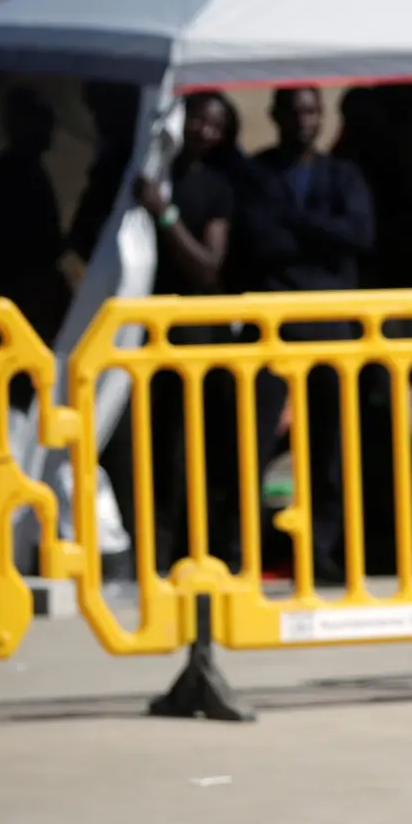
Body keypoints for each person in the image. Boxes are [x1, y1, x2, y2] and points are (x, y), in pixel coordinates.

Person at [233, 86, 375, 582]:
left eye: (313, 111)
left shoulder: (343, 174)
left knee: (329, 451)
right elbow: (260, 242)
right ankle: (241, 551)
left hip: (331, 331)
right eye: (295, 112)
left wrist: (294, 222)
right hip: (273, 330)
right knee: (252, 445)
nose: (304, 121)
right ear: (275, 115)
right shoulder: (256, 173)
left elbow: (358, 236)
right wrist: (320, 235)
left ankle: (322, 551)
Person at [130, 92, 238, 571]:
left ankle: (191, 552)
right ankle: (146, 550)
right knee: (149, 449)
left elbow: (208, 267)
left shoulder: (214, 187)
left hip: (193, 340)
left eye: (215, 126)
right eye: (197, 120)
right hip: (136, 337)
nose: (204, 132)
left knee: (187, 449)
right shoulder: (136, 174)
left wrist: (164, 214)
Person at [0, 88, 72, 342]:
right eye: (40, 119)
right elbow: (24, 247)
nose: (49, 128)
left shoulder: (26, 171)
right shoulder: (13, 175)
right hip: (13, 301)